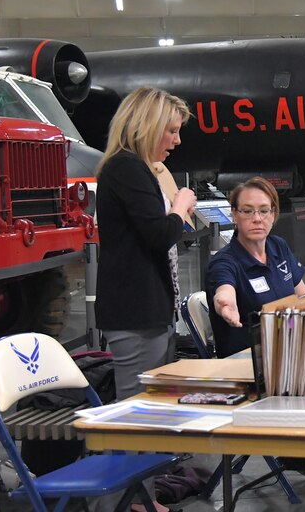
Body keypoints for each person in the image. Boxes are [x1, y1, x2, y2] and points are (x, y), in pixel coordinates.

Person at [95, 86, 196, 512]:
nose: (176, 141)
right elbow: (159, 234)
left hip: (147, 310)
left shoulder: (135, 168)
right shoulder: (125, 169)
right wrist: (179, 206)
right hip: (134, 312)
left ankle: (143, 498)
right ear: (148, 125)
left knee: (149, 410)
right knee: (135, 411)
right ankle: (130, 502)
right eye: (170, 131)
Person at [205, 177, 305, 358]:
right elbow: (224, 292)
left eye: (264, 211)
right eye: (247, 211)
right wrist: (225, 305)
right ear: (234, 214)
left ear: (273, 214)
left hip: (288, 350)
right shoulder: (224, 262)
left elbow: (303, 296)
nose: (257, 219)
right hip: (249, 362)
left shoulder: (278, 246)